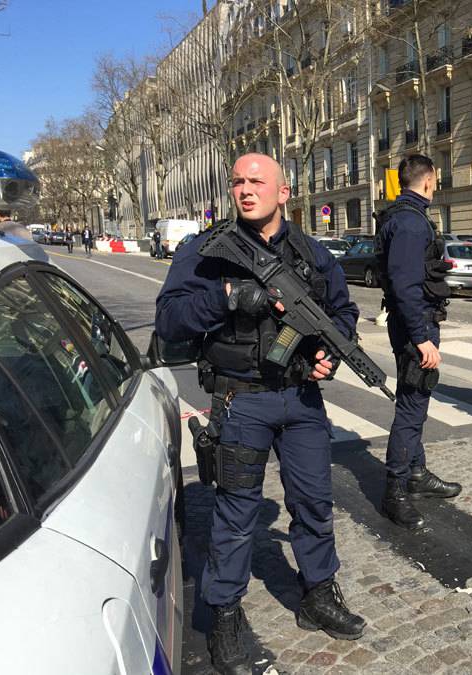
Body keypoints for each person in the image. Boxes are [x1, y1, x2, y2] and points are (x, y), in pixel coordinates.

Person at [155, 153, 365, 674]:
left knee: (315, 502)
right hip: (239, 400)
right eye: (238, 182)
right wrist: (226, 297)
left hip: (301, 401)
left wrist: (328, 356)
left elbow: (342, 313)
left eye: (257, 181)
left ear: (284, 192)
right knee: (235, 514)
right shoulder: (205, 252)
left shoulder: (313, 254)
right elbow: (170, 321)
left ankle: (318, 592)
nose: (246, 190)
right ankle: (224, 612)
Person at [375, 154, 461, 530]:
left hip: (412, 323)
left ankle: (417, 473)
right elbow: (406, 286)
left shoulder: (399, 216)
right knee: (411, 408)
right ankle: (395, 491)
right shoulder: (411, 223)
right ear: (430, 179)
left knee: (417, 402)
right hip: (416, 326)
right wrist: (422, 338)